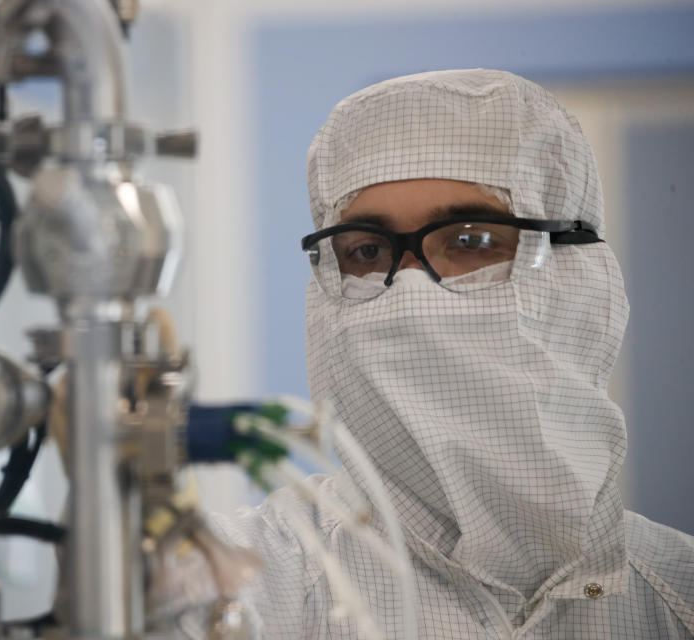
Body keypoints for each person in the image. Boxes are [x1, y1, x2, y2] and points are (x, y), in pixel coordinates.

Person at [198, 69, 694, 639]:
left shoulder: (678, 594)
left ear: (574, 274)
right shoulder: (231, 593)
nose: (410, 291)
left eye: (471, 241)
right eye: (367, 249)